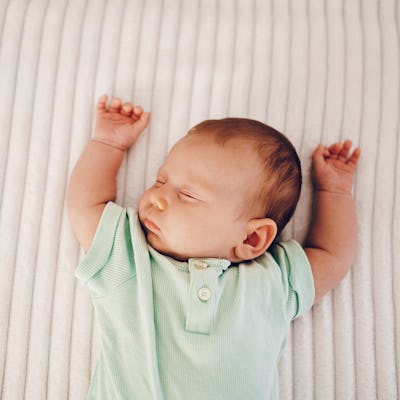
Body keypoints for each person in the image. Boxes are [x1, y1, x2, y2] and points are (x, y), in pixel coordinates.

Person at [67, 95, 360, 399]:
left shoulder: (272, 279)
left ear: (251, 239)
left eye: (188, 196)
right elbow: (86, 205)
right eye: (160, 180)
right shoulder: (128, 255)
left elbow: (332, 255)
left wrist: (335, 192)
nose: (157, 197)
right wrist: (108, 144)